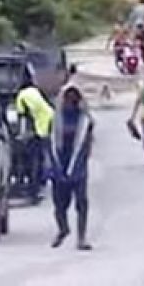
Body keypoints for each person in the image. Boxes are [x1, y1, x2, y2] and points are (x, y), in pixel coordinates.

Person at [50, 84, 95, 250]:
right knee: (59, 205)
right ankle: (63, 229)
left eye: (73, 99)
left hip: (78, 167)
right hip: (59, 165)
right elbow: (51, 143)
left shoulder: (84, 120)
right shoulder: (56, 119)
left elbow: (87, 144)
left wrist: (79, 164)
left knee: (82, 202)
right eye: (67, 98)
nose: (70, 102)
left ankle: (81, 238)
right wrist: (54, 166)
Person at [14, 76, 54, 203]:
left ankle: (34, 189)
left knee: (35, 160)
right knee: (44, 156)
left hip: (39, 128)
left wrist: (21, 136)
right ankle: (42, 183)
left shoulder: (21, 96)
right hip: (49, 120)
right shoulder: (34, 91)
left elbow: (23, 117)